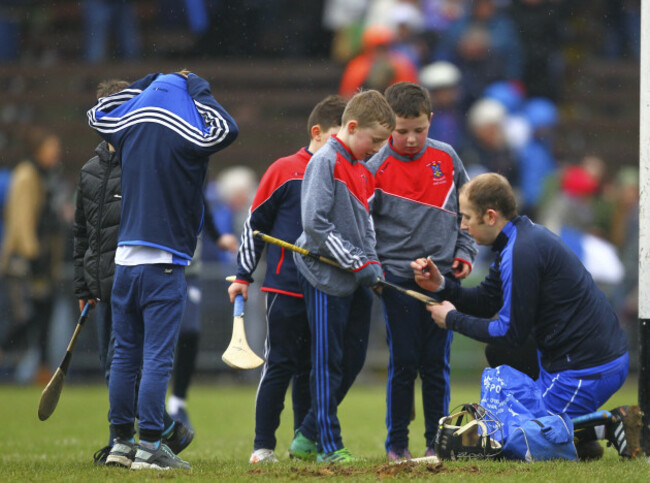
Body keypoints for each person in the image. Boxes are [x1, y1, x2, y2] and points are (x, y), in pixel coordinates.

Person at [410, 172, 634, 460]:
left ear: (490, 216)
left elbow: (510, 332)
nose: (463, 226)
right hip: (574, 360)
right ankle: (577, 435)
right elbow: (485, 300)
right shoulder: (515, 239)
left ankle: (603, 426)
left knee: (510, 441)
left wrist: (452, 320)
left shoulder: (521, 251)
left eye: (466, 217)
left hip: (588, 369)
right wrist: (441, 286)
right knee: (498, 353)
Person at [87, 70, 238, 470]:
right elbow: (227, 128)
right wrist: (199, 86)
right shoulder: (190, 135)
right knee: (156, 358)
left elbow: (97, 111)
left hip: (124, 263)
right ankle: (151, 444)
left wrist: (148, 80)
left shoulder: (126, 129)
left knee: (124, 358)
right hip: (165, 264)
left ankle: (121, 442)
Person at [228, 95, 347, 464]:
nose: (342, 147)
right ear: (318, 132)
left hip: (325, 290)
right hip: (286, 287)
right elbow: (255, 226)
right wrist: (243, 275)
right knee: (280, 364)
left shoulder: (344, 172)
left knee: (313, 368)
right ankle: (262, 446)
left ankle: (303, 442)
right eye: (336, 137)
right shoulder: (284, 169)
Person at [366, 81, 477, 460]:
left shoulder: (447, 157)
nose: (411, 139)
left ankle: (437, 443)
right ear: (386, 126)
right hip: (396, 282)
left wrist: (465, 251)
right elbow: (362, 224)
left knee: (435, 364)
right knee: (404, 363)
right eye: (401, 131)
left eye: (419, 130)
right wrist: (376, 271)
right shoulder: (375, 165)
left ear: (431, 120)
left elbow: (468, 213)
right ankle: (397, 445)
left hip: (442, 279)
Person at [289, 90, 395, 463]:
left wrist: (373, 265)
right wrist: (356, 262)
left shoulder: (362, 168)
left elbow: (365, 227)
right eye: (376, 140)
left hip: (355, 277)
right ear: (352, 127)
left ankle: (307, 434)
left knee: (352, 360)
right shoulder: (326, 161)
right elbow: (314, 225)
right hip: (324, 277)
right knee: (327, 361)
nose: (379, 149)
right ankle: (329, 447)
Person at [0, 127, 65, 384]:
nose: (57, 153)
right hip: (24, 261)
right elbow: (21, 219)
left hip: (46, 260)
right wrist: (31, 254)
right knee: (23, 317)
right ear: (40, 149)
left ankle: (43, 371)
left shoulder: (51, 176)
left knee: (45, 316)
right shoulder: (27, 175)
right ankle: (7, 354)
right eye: (52, 147)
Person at [167, 198, 238, 429]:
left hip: (189, 271)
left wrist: (218, 237)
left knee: (190, 330)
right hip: (158, 268)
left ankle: (177, 402)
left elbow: (203, 209)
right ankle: (149, 406)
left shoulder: (194, 176)